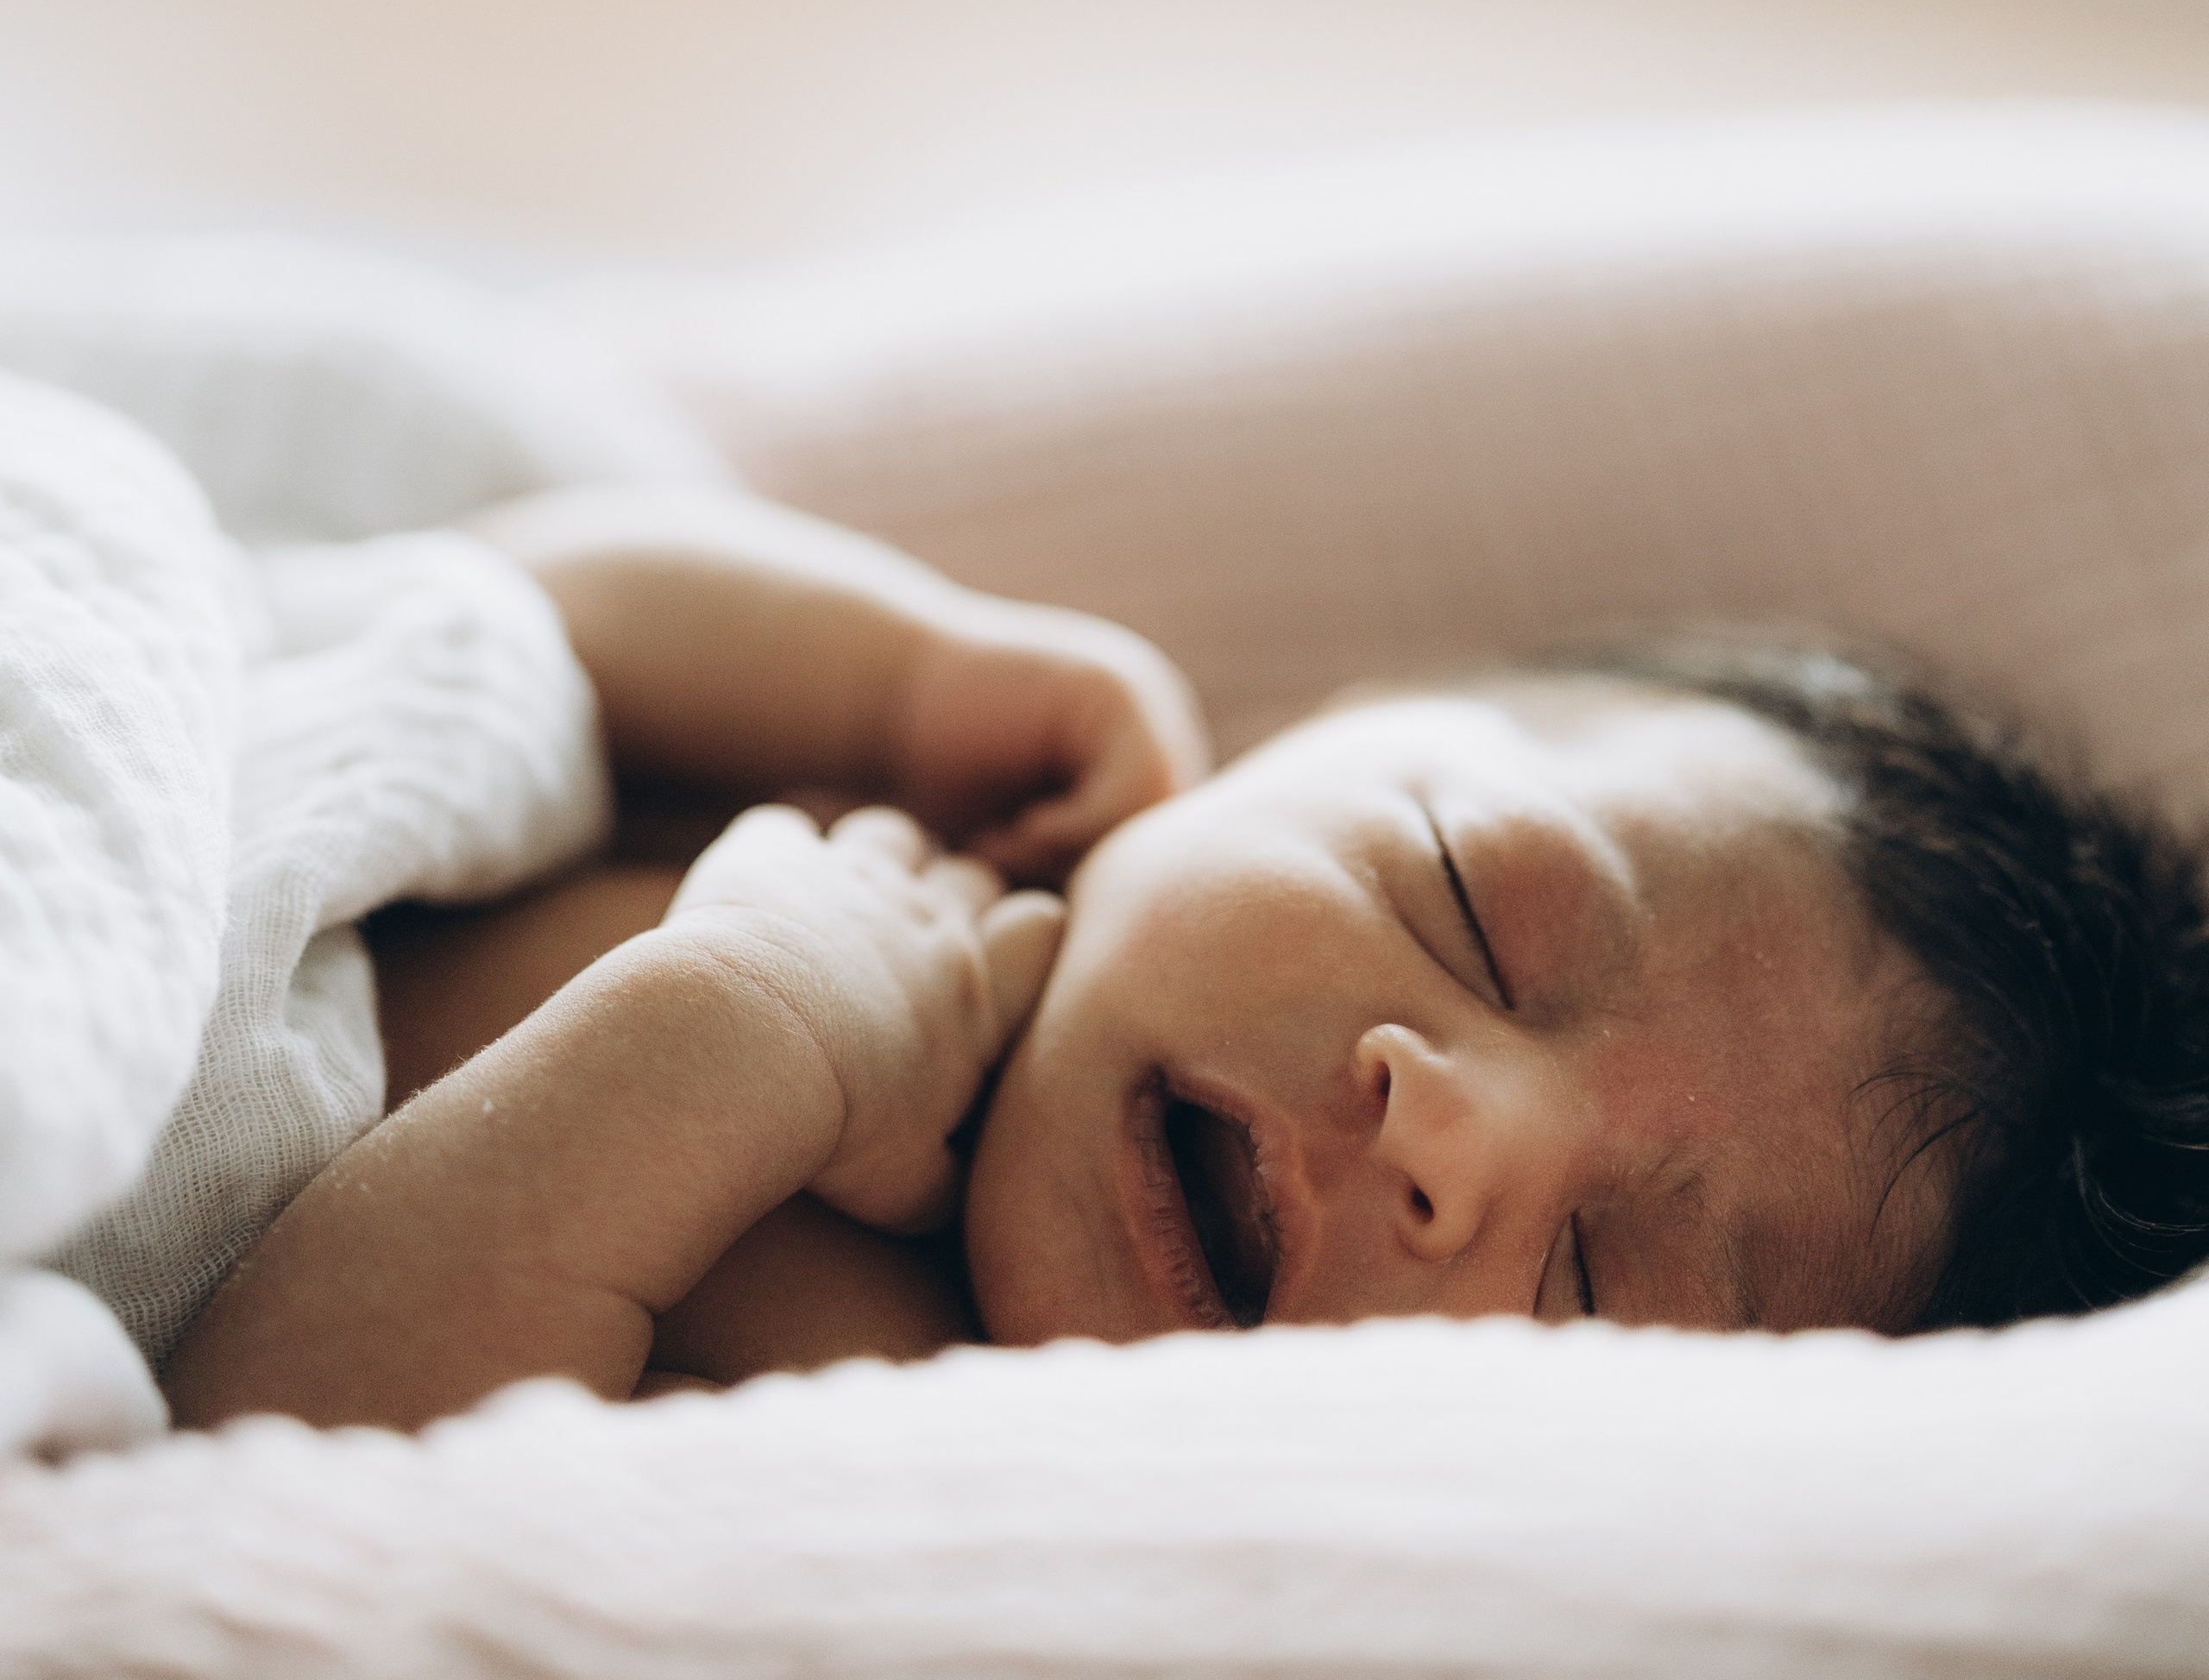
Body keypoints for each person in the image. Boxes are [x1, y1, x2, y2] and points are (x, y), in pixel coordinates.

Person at [160, 487, 2209, 1432]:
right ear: (1309, 728)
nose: (1449, 1130)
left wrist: (742, 1028)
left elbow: (300, 1449)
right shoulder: (953, 812)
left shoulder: (883, 1405)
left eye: (1594, 1280)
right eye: (1468, 896)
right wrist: (904, 675)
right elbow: (496, 618)